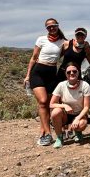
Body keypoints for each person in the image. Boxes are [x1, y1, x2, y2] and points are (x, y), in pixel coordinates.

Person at [24, 18, 66, 146]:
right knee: (42, 101)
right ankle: (48, 134)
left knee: (49, 104)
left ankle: (43, 130)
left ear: (58, 26)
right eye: (49, 27)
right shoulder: (41, 39)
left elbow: (67, 53)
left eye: (54, 26)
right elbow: (34, 57)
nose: (52, 28)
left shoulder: (63, 42)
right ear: (46, 28)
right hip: (38, 71)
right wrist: (27, 76)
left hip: (52, 72)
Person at [49, 62, 90, 148]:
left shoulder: (85, 85)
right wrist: (64, 106)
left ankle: (78, 132)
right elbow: (51, 104)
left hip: (79, 114)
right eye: (69, 72)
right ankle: (59, 137)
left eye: (74, 71)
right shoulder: (61, 85)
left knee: (82, 124)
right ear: (65, 74)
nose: (71, 73)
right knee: (55, 112)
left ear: (78, 72)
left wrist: (77, 118)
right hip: (65, 114)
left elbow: (87, 107)